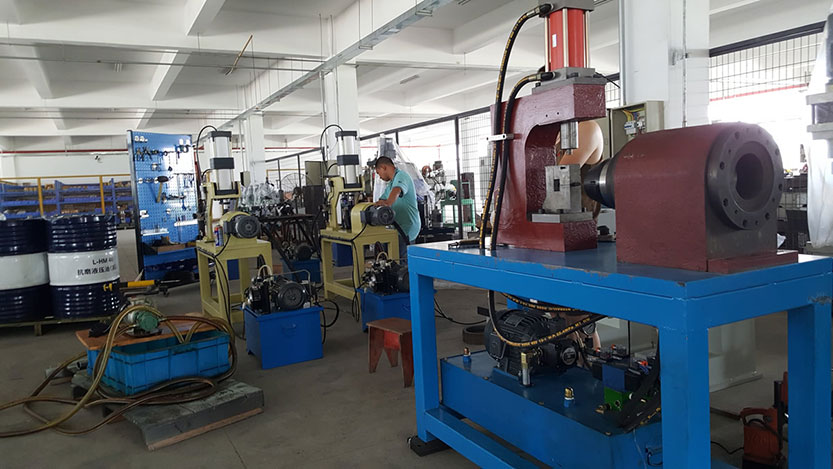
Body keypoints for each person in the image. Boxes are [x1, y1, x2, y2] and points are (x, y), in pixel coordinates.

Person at [373, 156, 421, 258]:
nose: (379, 177)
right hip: (396, 229)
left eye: (378, 173)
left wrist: (387, 203)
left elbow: (397, 190)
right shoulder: (391, 184)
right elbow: (381, 200)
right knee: (390, 259)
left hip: (406, 229)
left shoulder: (401, 176)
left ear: (383, 167)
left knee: (401, 262)